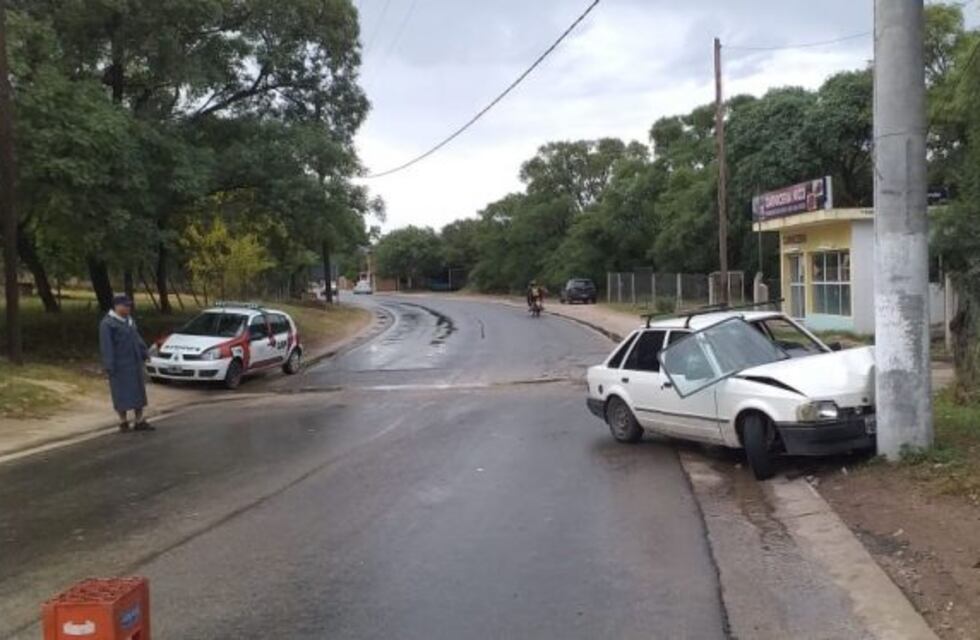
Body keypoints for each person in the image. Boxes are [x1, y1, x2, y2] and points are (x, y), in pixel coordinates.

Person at [99, 295, 153, 432]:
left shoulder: (129, 321)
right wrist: (109, 366)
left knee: (138, 392)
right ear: (117, 306)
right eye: (125, 306)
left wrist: (144, 352)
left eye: (129, 306)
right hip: (119, 365)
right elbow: (107, 346)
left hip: (134, 362)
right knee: (121, 393)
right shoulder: (108, 324)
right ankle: (123, 422)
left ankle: (139, 420)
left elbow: (137, 338)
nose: (128, 308)